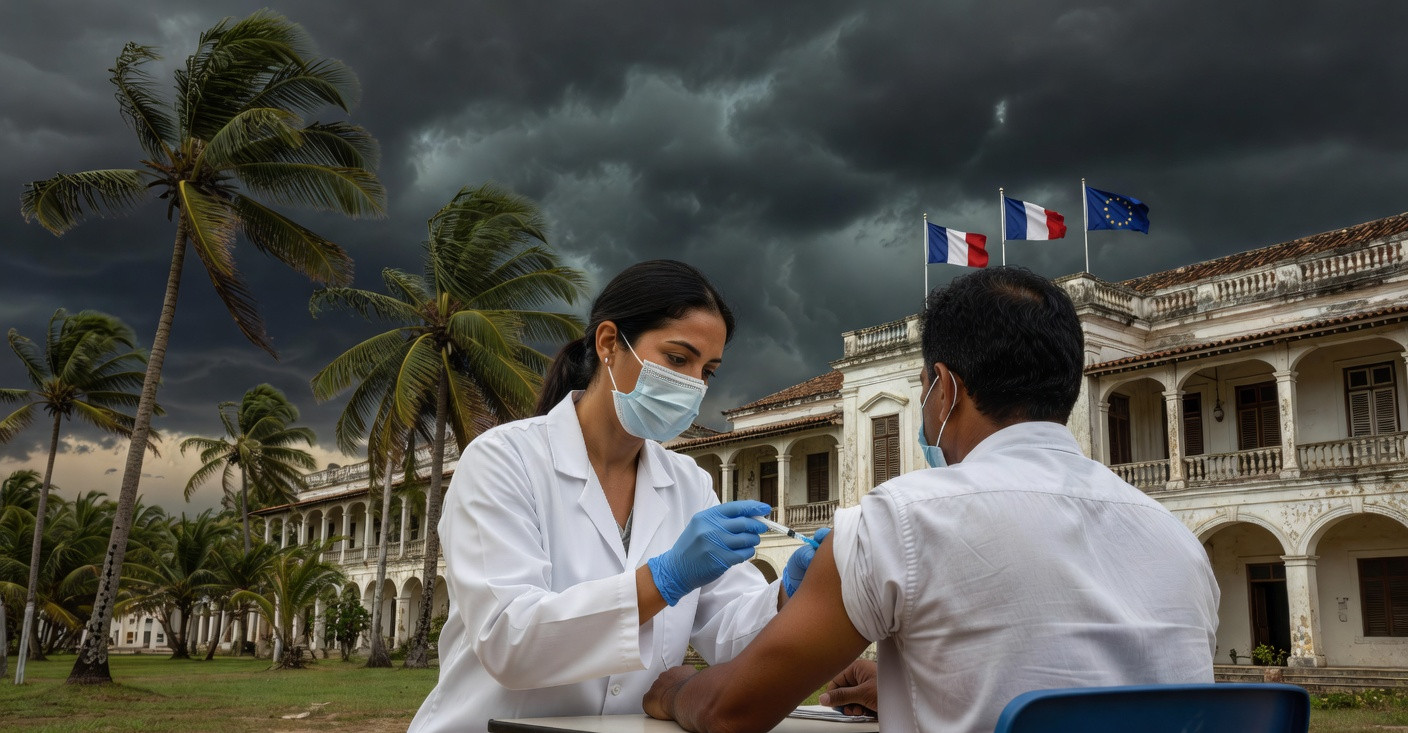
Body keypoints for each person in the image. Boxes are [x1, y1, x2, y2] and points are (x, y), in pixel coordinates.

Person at [642, 266, 1221, 733]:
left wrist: (672, 690)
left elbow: (732, 711)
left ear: (944, 388)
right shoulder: (1177, 539)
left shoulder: (900, 520)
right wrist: (916, 689)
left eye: (922, 390)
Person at [408, 260, 824, 733]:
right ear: (608, 343)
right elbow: (509, 640)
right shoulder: (503, 461)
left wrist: (789, 593)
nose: (694, 385)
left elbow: (729, 633)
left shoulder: (689, 484)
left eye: (708, 371)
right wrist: (663, 579)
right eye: (677, 359)